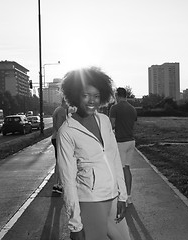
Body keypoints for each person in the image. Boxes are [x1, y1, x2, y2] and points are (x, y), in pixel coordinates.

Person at [57, 67, 131, 240]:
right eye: (86, 95)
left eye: (96, 96)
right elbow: (67, 180)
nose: (92, 101)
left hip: (113, 198)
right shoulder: (67, 132)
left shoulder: (104, 121)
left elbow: (114, 159)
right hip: (90, 201)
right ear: (75, 96)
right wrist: (75, 225)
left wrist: (123, 196)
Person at [109, 87, 137, 206]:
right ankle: (128, 196)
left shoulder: (114, 108)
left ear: (117, 95)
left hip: (120, 142)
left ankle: (121, 196)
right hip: (131, 141)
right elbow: (133, 125)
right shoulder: (132, 108)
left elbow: (111, 125)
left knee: (118, 170)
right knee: (127, 168)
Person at [51, 98, 69, 194]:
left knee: (59, 161)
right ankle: (58, 185)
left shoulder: (57, 109)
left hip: (55, 137)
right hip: (59, 138)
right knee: (60, 162)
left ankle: (57, 184)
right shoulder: (61, 110)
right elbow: (59, 126)